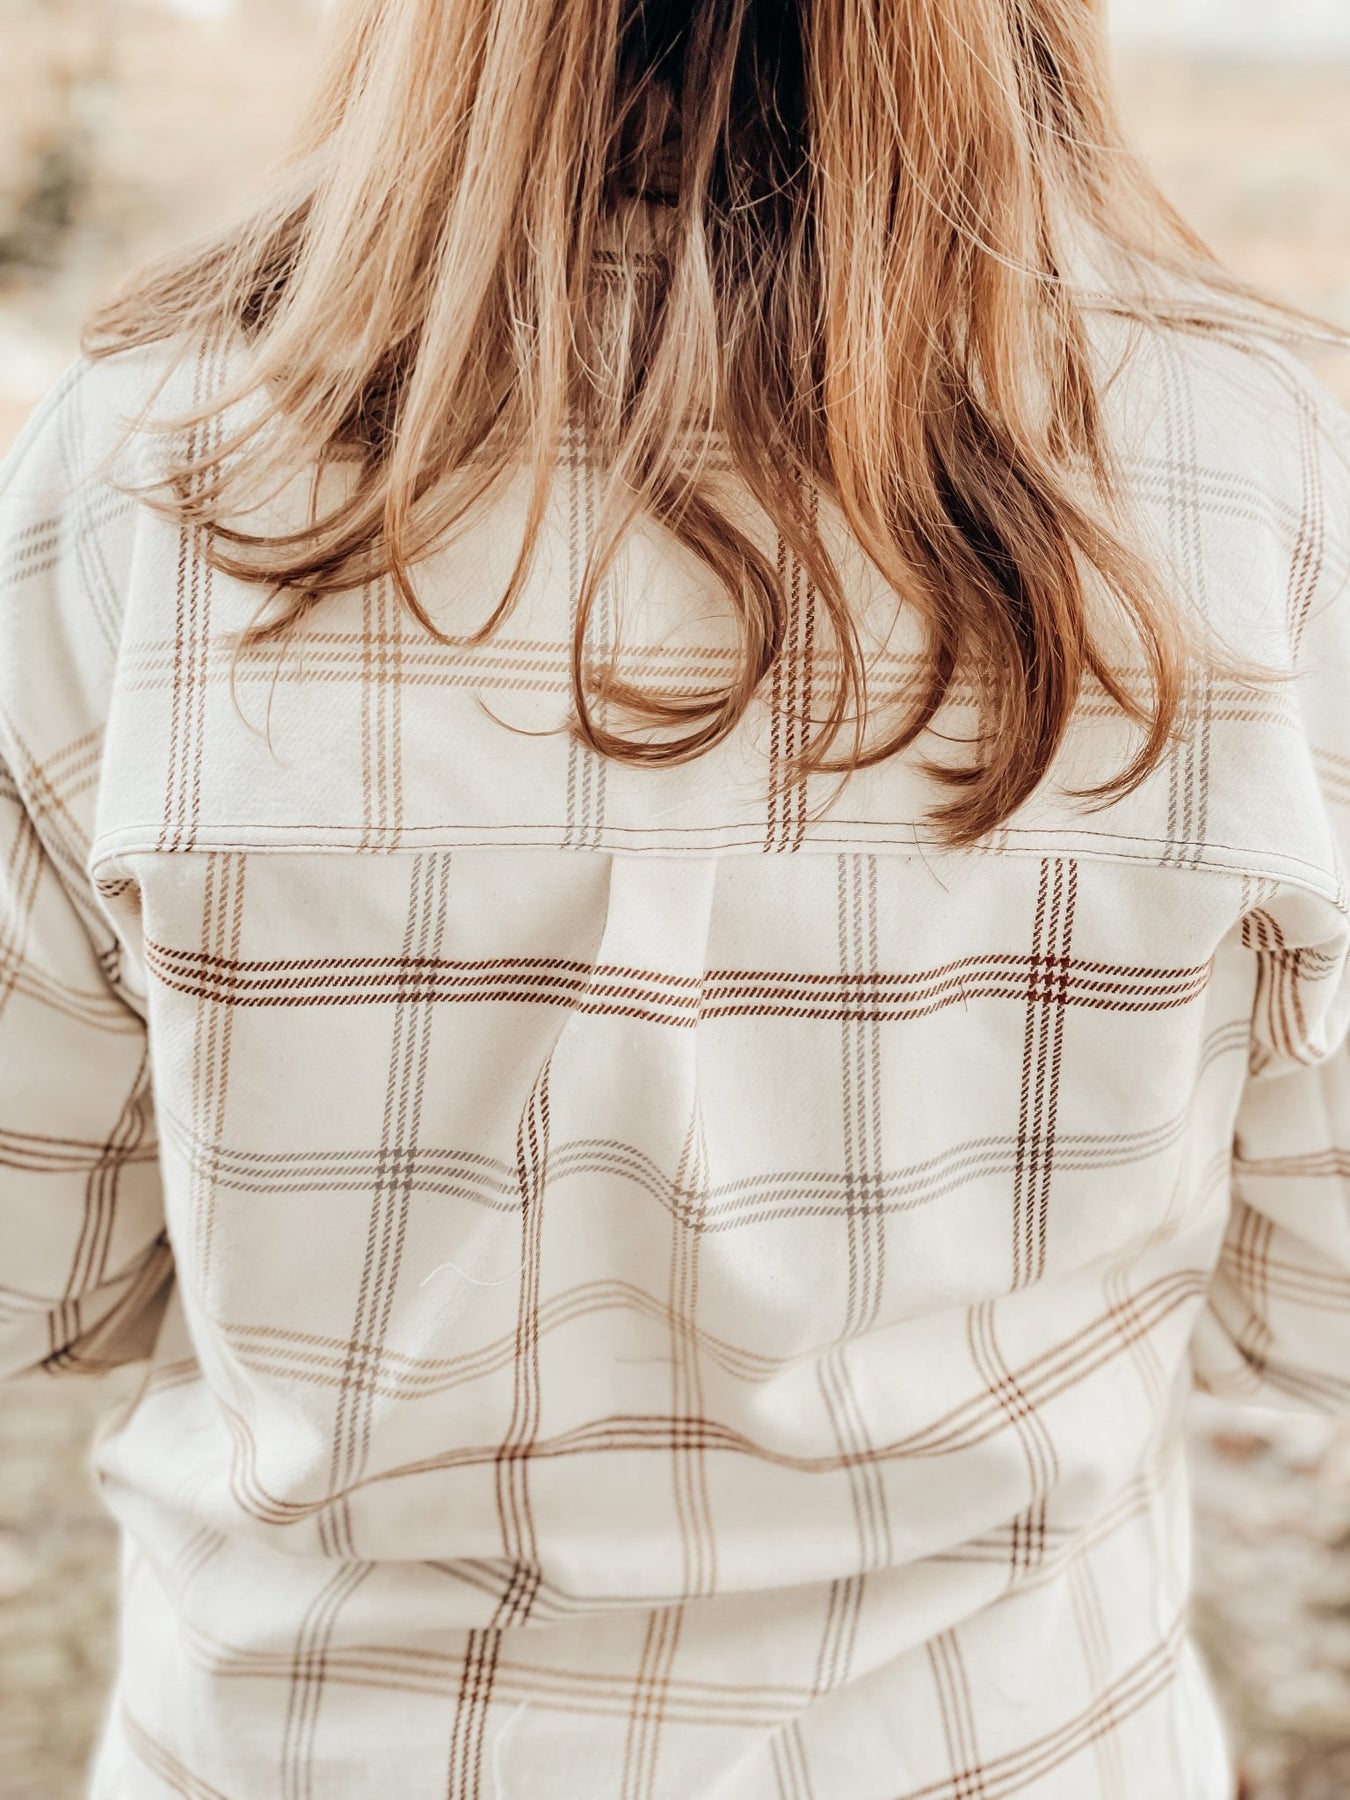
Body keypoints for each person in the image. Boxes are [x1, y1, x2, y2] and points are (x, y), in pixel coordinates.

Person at [2, 0, 1348, 1794]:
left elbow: (42, 1277)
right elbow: (1315, 1293)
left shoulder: (152, 466)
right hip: (1012, 1749)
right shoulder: (1245, 475)